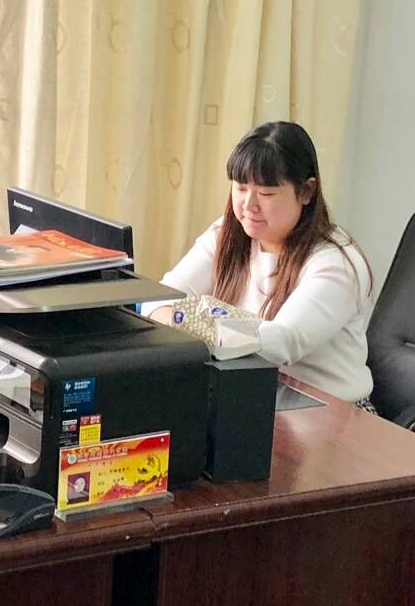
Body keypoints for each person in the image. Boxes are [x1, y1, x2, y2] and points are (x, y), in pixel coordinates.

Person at [152, 121, 375, 405]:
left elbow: (280, 342)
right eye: (240, 188)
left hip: (331, 412)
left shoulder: (335, 262)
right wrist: (181, 316)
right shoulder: (228, 234)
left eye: (266, 193)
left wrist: (184, 319)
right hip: (255, 398)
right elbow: (158, 298)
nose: (249, 205)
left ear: (307, 192)